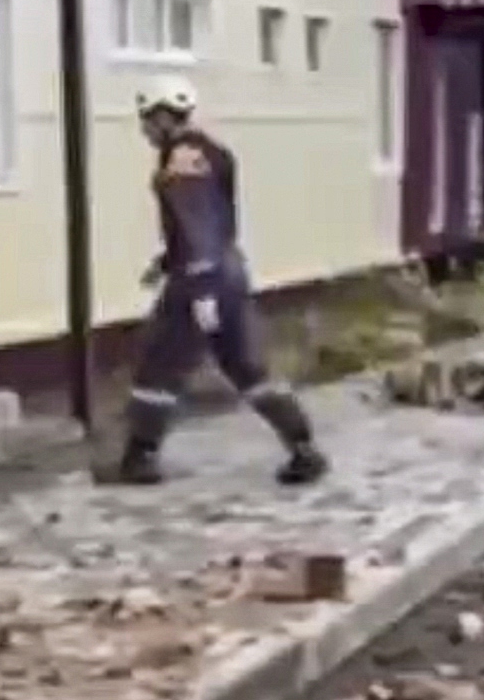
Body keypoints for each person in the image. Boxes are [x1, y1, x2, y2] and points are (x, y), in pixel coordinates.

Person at [108, 77, 328, 488]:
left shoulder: (182, 160)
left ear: (161, 116)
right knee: (248, 367)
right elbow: (215, 218)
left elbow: (199, 221)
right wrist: (167, 260)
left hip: (199, 279)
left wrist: (199, 285)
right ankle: (304, 449)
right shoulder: (213, 151)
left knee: (158, 363)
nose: (144, 130)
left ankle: (140, 457)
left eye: (146, 121)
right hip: (227, 273)